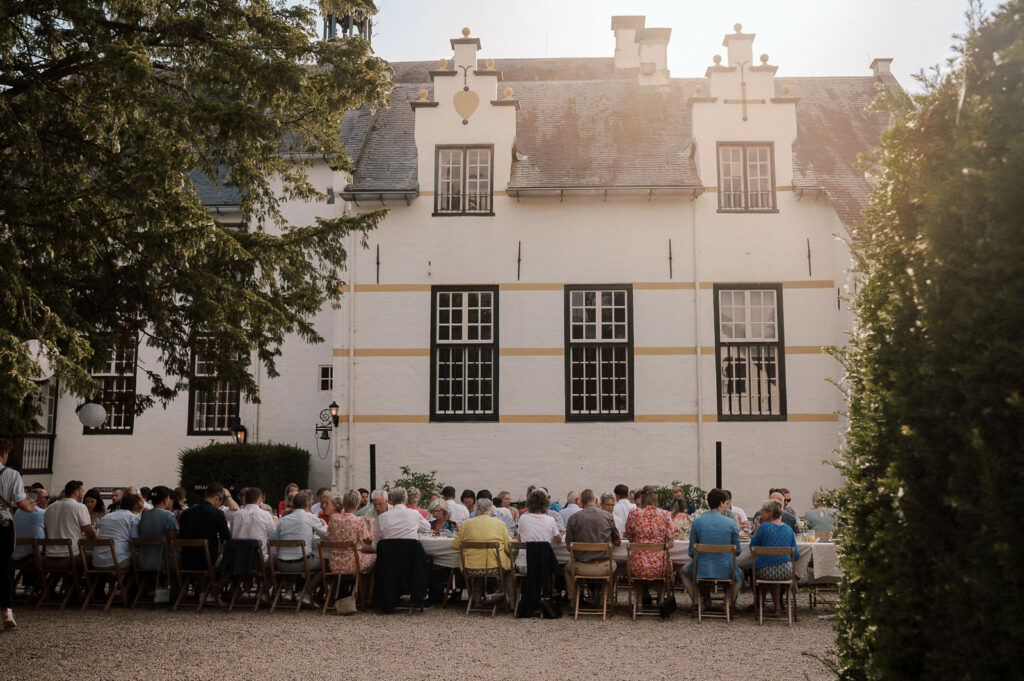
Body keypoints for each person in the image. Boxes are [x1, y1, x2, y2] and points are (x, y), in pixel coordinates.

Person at [683, 488, 742, 608]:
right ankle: (728, 601)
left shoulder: (697, 522)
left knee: (683, 571)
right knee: (740, 575)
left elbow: (691, 552)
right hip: (726, 568)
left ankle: (698, 601)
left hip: (702, 567)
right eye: (725, 503)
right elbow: (738, 550)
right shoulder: (731, 523)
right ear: (721, 503)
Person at [1, 438, 37, 629]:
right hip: (3, 524)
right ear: (4, 453)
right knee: (4, 567)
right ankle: (7, 611)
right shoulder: (11, 474)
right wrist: (30, 508)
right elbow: (21, 503)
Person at [451, 498, 514, 606]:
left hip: (470, 567)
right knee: (509, 570)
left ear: (476, 509)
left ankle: (476, 601)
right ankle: (512, 601)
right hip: (494, 566)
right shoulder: (500, 523)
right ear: (491, 510)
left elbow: (455, 545)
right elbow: (509, 547)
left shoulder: (466, 524)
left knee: (478, 572)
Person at [563, 488, 620, 602]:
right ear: (595, 500)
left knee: (566, 568)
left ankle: (573, 599)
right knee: (616, 566)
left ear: (582, 502)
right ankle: (606, 597)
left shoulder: (574, 518)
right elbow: (617, 542)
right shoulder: (608, 516)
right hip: (603, 567)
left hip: (580, 567)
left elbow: (569, 548)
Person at [272, 491, 327, 601]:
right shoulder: (310, 517)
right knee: (326, 564)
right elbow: (325, 535)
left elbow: (274, 540)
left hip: (281, 565)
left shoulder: (283, 520)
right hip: (302, 564)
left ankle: (289, 591)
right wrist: (325, 525)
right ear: (307, 506)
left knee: (290, 554)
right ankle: (305, 593)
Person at [624, 485, 675, 601]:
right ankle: (661, 598)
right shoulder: (665, 514)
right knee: (665, 564)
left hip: (638, 565)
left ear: (642, 497)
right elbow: (671, 543)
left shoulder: (634, 513)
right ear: (656, 498)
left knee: (638, 565)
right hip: (660, 566)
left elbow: (629, 536)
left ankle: (640, 602)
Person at [750, 498, 800, 614]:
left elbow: (752, 548)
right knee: (775, 568)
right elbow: (796, 555)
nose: (761, 513)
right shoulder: (789, 530)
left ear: (770, 512)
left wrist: (757, 529)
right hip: (786, 572)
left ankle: (759, 603)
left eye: (763, 510)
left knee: (767, 568)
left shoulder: (764, 527)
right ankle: (777, 607)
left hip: (765, 572)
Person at [326, 490, 376, 602]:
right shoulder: (358, 521)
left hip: (335, 563)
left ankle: (352, 593)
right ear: (358, 505)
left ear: (343, 502)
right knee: (377, 557)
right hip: (353, 563)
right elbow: (369, 541)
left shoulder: (333, 518)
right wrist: (371, 525)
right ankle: (368, 597)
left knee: (363, 557)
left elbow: (329, 535)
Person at [43, 479, 98, 570]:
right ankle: (81, 583)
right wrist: (96, 534)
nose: (83, 494)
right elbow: (90, 535)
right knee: (95, 557)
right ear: (76, 492)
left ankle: (70, 582)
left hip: (49, 557)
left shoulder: (50, 508)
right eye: (82, 491)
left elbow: (46, 533)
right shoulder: (80, 507)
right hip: (71, 558)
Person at [178, 483, 232, 570]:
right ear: (218, 498)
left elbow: (181, 536)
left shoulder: (186, 512)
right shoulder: (218, 513)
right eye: (220, 503)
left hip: (186, 561)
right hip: (208, 562)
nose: (220, 505)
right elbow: (226, 538)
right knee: (231, 563)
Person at [515, 489, 561, 573]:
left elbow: (519, 539)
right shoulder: (550, 520)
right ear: (546, 503)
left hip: (525, 565)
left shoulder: (523, 518)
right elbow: (559, 539)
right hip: (544, 566)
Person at [93, 493, 142, 569]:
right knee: (139, 562)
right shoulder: (133, 518)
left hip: (97, 561)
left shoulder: (106, 517)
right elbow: (135, 541)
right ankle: (125, 581)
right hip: (117, 561)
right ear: (136, 506)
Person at [137, 486, 179, 571]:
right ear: (165, 499)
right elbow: (174, 538)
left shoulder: (144, 515)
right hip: (163, 561)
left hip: (143, 560)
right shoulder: (169, 515)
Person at [230, 487, 276, 558]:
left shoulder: (234, 515)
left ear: (245, 500)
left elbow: (232, 536)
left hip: (237, 560)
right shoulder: (266, 515)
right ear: (260, 500)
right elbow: (273, 538)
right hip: (259, 561)